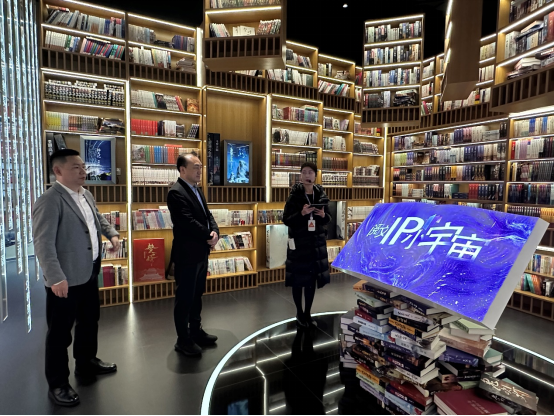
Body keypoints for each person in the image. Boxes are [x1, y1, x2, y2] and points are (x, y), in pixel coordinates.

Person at [33, 149, 120, 407]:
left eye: (83, 167)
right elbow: (43, 244)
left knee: (89, 321)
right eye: (76, 167)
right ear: (58, 171)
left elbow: (97, 220)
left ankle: (86, 362)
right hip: (64, 279)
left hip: (89, 271)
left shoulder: (86, 194)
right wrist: (55, 277)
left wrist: (112, 234)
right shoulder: (50, 200)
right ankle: (58, 383)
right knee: (60, 334)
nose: (83, 171)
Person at [167, 153, 220, 356]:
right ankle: (183, 340)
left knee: (197, 295)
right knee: (184, 298)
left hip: (201, 253)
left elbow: (208, 216)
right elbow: (187, 222)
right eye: (195, 167)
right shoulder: (176, 192)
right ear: (182, 170)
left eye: (200, 167)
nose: (200, 170)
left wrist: (215, 232)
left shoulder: (197, 189)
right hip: (187, 255)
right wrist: (208, 235)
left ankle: (196, 331)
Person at [283, 162, 331, 327]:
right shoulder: (294, 196)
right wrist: (302, 213)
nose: (307, 175)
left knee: (311, 281)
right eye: (304, 172)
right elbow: (286, 219)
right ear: (300, 175)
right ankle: (299, 313)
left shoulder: (321, 195)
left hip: (315, 245)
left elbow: (328, 218)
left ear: (315, 175)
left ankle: (308, 313)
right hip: (299, 245)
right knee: (298, 281)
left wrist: (323, 215)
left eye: (310, 172)